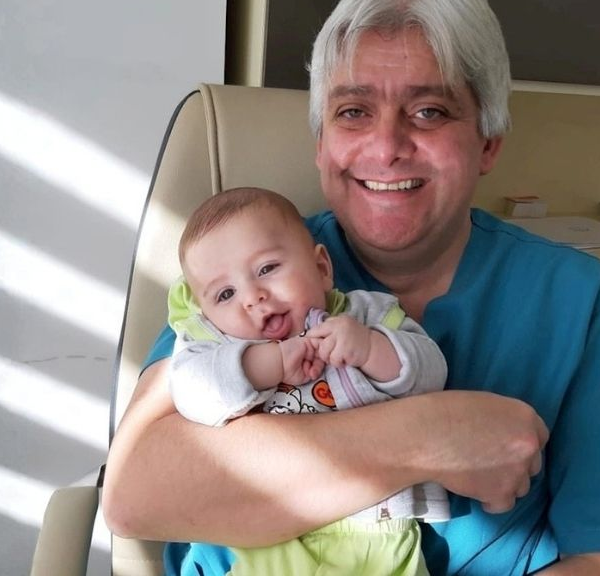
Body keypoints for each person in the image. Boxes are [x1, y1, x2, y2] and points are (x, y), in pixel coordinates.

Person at [103, 0, 600, 573]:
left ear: (488, 142)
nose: (386, 146)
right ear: (321, 142)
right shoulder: (242, 278)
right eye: (353, 111)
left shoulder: (581, 302)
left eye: (429, 111)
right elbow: (134, 497)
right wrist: (431, 436)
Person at [167, 186, 449, 574]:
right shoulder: (213, 345)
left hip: (376, 528)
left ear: (321, 268)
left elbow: (432, 373)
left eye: (266, 269)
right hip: (268, 533)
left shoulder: (366, 316)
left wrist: (370, 348)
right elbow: (190, 394)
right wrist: (265, 364)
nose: (252, 297)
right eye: (225, 294)